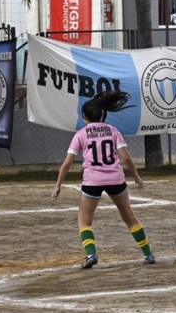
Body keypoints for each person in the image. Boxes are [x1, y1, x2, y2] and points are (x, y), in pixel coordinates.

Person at [51, 90, 155, 269]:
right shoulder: (113, 130)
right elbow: (127, 158)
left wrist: (58, 185)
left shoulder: (81, 134)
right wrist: (136, 176)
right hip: (116, 179)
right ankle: (148, 254)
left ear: (84, 116)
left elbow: (67, 163)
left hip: (92, 181)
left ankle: (91, 254)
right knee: (129, 217)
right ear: (102, 114)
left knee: (84, 220)